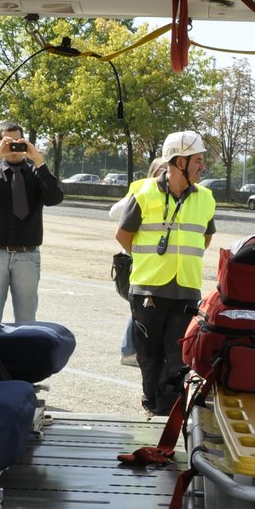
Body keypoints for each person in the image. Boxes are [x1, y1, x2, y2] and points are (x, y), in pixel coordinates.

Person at [115, 131, 216, 416]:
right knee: (149, 356)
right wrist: (149, 261)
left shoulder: (206, 198)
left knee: (178, 356)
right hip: (148, 289)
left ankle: (167, 411)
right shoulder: (143, 193)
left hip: (185, 288)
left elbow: (205, 238)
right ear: (179, 161)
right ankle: (151, 403)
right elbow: (124, 236)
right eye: (197, 160)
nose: (202, 166)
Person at [0, 121, 63, 322]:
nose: (14, 148)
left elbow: (54, 198)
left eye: (18, 142)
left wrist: (38, 159)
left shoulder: (37, 174)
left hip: (27, 256)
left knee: (26, 319)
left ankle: (23, 354)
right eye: (8, 142)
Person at [111, 158, 167, 368]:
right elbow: (114, 213)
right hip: (138, 261)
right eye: (161, 171)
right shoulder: (143, 191)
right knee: (141, 305)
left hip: (156, 261)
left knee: (146, 306)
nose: (165, 175)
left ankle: (134, 350)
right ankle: (128, 350)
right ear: (152, 173)